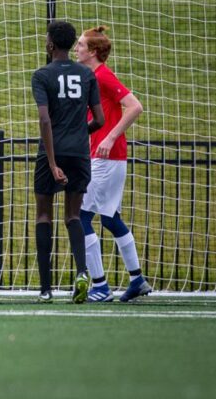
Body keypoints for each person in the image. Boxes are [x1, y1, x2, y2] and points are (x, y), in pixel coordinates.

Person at [74, 25, 152, 303]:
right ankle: (137, 280)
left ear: (93, 52)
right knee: (109, 218)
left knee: (80, 217)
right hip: (104, 157)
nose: (77, 48)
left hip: (106, 158)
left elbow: (135, 106)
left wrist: (109, 136)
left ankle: (100, 286)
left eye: (81, 45)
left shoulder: (103, 75)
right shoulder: (89, 76)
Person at [31, 20, 104, 304]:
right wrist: (77, 132)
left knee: (43, 216)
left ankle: (46, 289)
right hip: (79, 153)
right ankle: (82, 274)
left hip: (52, 151)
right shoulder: (87, 75)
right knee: (74, 216)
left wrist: (51, 163)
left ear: (50, 44)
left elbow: (44, 119)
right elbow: (99, 120)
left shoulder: (42, 75)